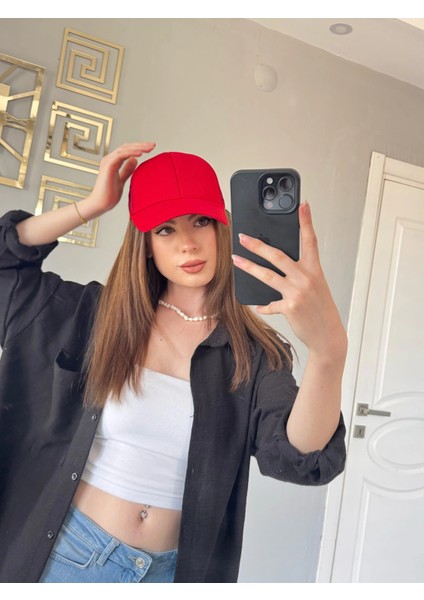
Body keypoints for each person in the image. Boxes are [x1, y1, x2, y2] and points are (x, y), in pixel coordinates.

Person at [0, 142, 347, 583]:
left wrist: (328, 353)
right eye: (165, 229)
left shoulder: (254, 353)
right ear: (145, 244)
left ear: (222, 227)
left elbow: (301, 459)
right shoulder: (91, 316)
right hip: (70, 558)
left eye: (201, 221)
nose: (187, 243)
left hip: (172, 574)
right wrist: (91, 206)